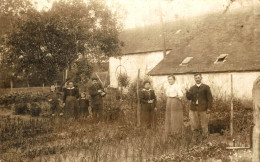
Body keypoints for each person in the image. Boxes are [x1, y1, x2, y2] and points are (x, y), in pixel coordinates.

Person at [186, 73, 213, 139]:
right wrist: (187, 93)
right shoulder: (192, 88)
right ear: (194, 79)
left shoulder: (206, 87)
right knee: (194, 123)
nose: (197, 79)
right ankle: (196, 137)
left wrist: (209, 108)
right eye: (196, 78)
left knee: (204, 123)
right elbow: (189, 98)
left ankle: (205, 137)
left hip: (203, 108)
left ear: (201, 78)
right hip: (194, 108)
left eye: (198, 78)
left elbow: (210, 98)